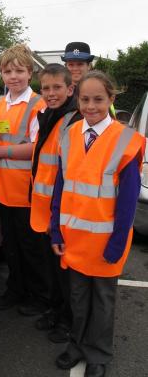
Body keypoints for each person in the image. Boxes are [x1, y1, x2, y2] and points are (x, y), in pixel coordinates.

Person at [51, 71, 146, 377]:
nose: (91, 106)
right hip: (74, 240)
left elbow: (129, 199)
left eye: (98, 99)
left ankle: (99, 354)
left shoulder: (126, 141)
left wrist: (118, 241)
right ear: (77, 100)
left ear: (111, 100)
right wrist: (55, 228)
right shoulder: (69, 135)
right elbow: (60, 187)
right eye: (85, 99)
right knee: (78, 300)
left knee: (103, 301)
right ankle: (77, 344)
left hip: (107, 241)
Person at [0, 44, 51, 315]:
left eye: (19, 71)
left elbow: (39, 148)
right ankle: (15, 290)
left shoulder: (38, 104)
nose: (13, 76)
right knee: (11, 247)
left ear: (30, 73)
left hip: (26, 191)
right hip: (2, 189)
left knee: (31, 249)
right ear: (1, 74)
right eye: (7, 71)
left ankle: (39, 297)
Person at [30, 63, 82, 342]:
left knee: (65, 271)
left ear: (70, 88)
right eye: (46, 88)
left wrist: (58, 211)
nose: (50, 93)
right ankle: (55, 309)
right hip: (43, 205)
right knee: (51, 267)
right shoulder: (48, 114)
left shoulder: (74, 120)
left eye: (57, 88)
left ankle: (68, 320)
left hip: (62, 208)